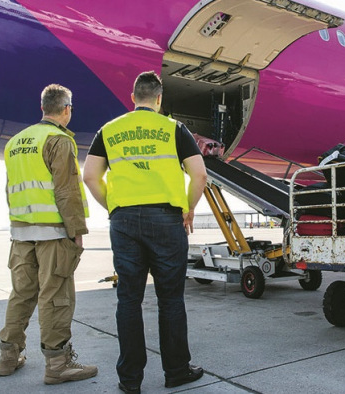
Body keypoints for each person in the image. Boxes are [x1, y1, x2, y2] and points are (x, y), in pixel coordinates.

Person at [83, 71, 207, 393]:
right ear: (159, 99)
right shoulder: (174, 129)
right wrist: (188, 208)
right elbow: (199, 175)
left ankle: (130, 380)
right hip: (166, 220)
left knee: (128, 300)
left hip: (124, 222)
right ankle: (177, 371)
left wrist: (113, 206)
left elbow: (90, 176)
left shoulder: (109, 131)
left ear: (133, 97)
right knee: (170, 300)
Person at [0, 84, 98, 384]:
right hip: (53, 233)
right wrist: (77, 231)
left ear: (43, 108)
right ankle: (57, 363)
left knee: (21, 294)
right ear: (66, 109)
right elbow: (67, 192)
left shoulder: (15, 142)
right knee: (56, 297)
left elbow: (10, 187)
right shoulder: (59, 140)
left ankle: (8, 356)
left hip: (21, 232)